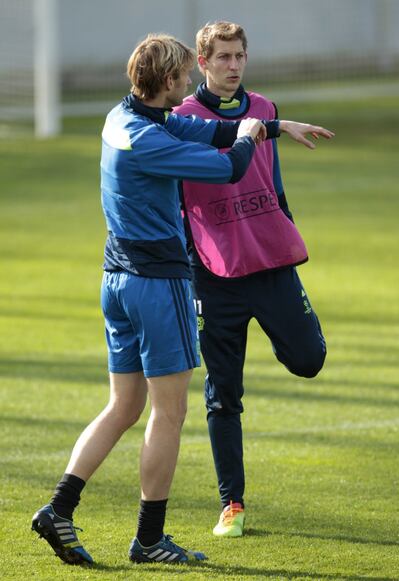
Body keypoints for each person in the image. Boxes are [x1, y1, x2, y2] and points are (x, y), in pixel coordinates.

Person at [30, 33, 270, 566]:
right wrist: (252, 138)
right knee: (170, 412)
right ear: (168, 82)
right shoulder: (153, 143)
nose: (189, 85)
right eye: (184, 77)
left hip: (116, 279)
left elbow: (196, 127)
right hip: (157, 286)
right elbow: (231, 165)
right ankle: (149, 539)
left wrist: (271, 125)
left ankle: (58, 509)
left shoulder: (123, 117)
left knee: (124, 405)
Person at [174, 21, 335, 538]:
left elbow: (274, 180)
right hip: (215, 276)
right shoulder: (182, 119)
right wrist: (189, 271)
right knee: (223, 394)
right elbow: (179, 200)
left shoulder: (265, 109)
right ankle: (233, 505)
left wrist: (284, 230)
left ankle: (276, 324)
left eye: (239, 55)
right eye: (222, 57)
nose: (233, 65)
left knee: (309, 360)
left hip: (270, 264)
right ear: (203, 63)